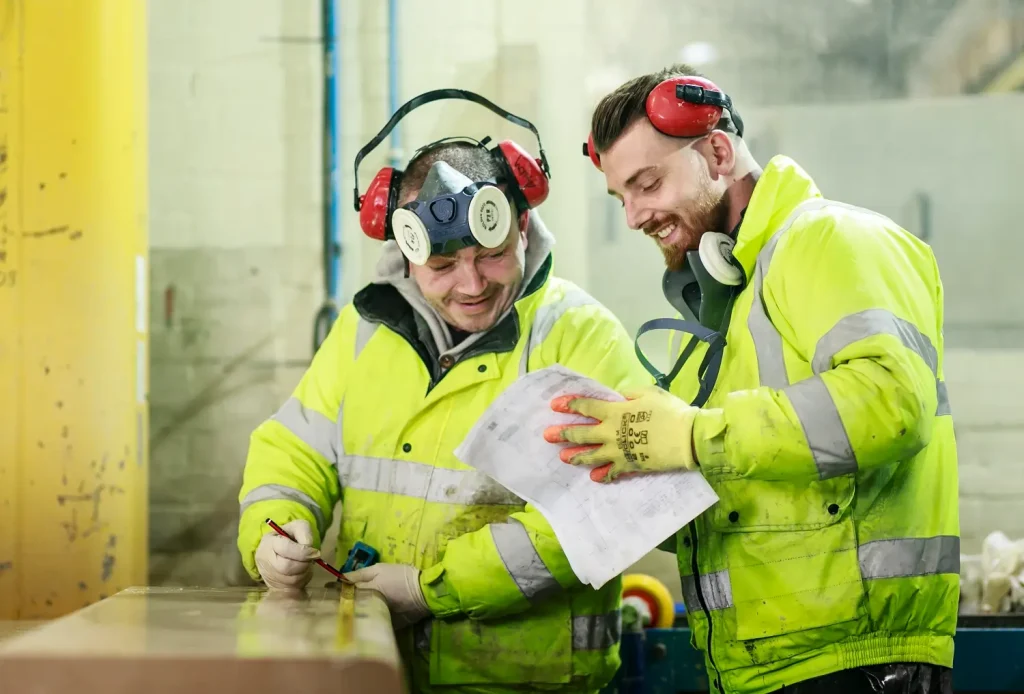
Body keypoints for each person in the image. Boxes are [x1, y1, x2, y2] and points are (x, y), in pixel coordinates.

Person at [544, 64, 960, 694]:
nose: (633, 217)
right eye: (619, 197)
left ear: (716, 151)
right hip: (768, 666)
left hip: (854, 663)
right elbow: (760, 480)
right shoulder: (736, 297)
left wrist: (691, 437)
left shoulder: (830, 240)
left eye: (647, 183)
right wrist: (641, 476)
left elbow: (891, 401)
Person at [236, 91, 651, 694]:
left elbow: (595, 516)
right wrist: (275, 531)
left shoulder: (579, 338)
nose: (472, 285)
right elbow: (290, 452)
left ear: (523, 224)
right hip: (382, 671)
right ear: (404, 256)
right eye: (443, 268)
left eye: (490, 256)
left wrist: (431, 591)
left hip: (525, 683)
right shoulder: (363, 333)